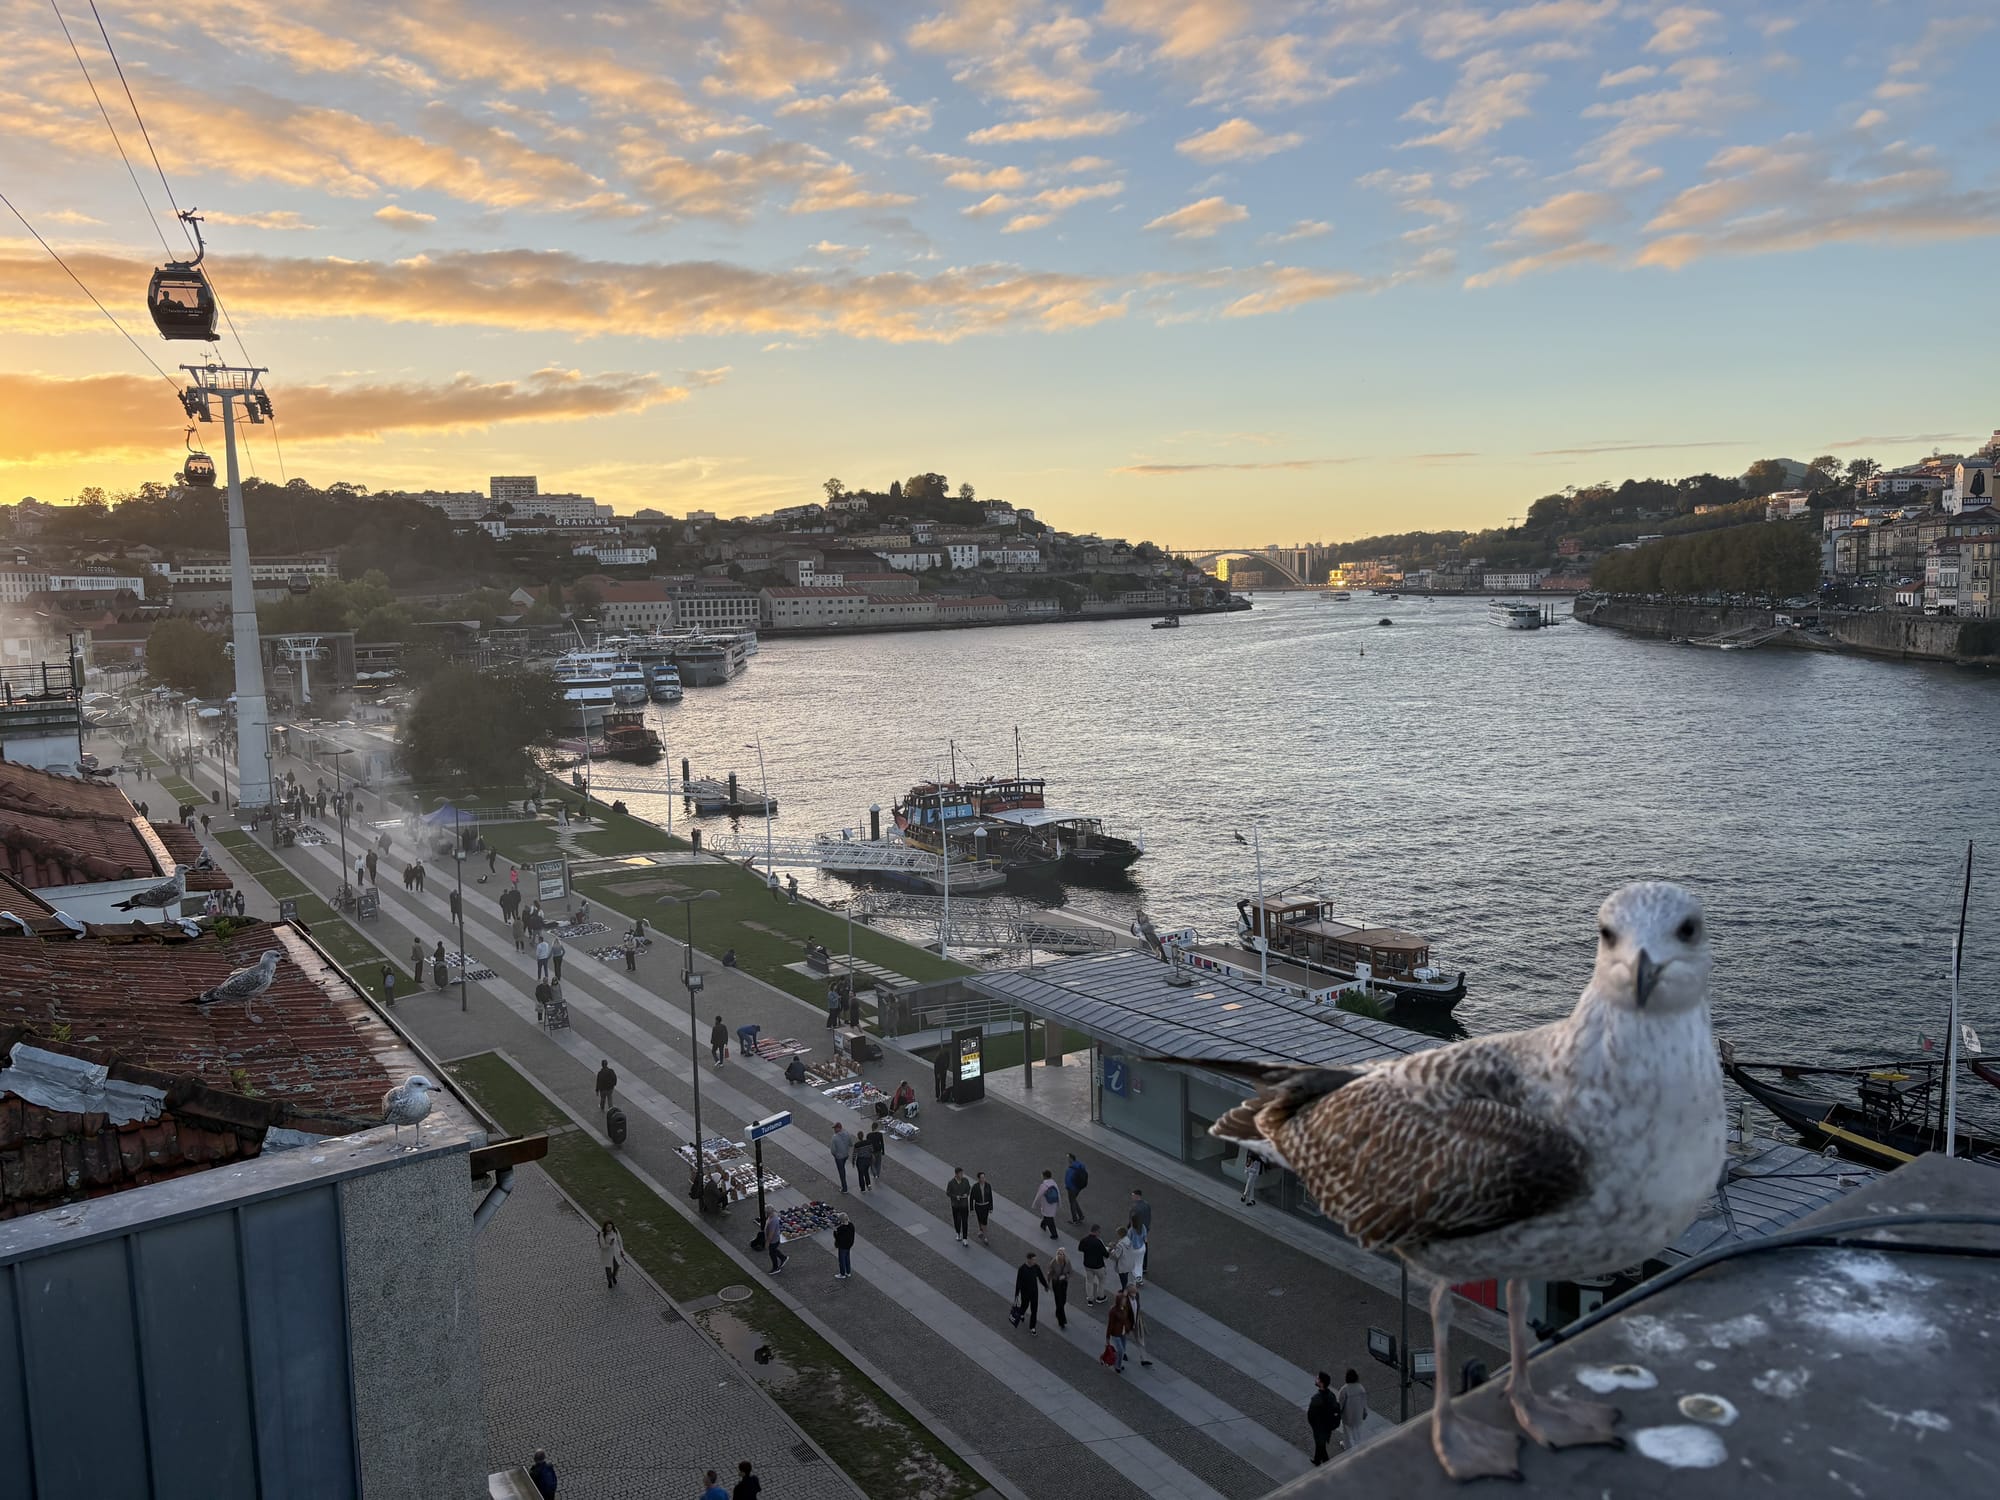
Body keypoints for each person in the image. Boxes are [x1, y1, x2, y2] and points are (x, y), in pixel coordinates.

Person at [1009, 1250, 1047, 1332]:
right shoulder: (1022, 1269)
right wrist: (1017, 1294)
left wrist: (1045, 1285)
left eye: (1035, 1259)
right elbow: (1018, 1282)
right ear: (1028, 1259)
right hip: (1025, 1293)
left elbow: (1041, 1277)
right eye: (1033, 1259)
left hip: (1034, 1292)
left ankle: (1032, 1327)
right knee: (1024, 1306)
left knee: (1034, 1310)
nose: (1034, 1261)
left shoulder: (1036, 1267)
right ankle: (1022, 1314)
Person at [1307, 1371, 1340, 1465]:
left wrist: (1314, 1425)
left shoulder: (1316, 1398)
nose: (1316, 1379)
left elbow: (1311, 1415)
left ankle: (1325, 1462)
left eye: (1317, 1379)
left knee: (1320, 1443)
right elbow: (1336, 1409)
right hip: (1328, 1426)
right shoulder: (1331, 1395)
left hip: (1319, 1426)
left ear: (1321, 1383)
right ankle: (1317, 1460)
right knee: (1321, 1443)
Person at [1339, 1368, 1371, 1454]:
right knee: (1358, 1433)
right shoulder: (1361, 1388)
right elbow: (1364, 1403)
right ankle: (1359, 1447)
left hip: (1347, 1417)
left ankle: (1348, 1448)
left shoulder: (1344, 1389)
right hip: (1358, 1416)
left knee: (1347, 1434)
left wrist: (1338, 1413)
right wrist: (1365, 1413)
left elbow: (1340, 1404)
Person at [1078, 1224, 1109, 1304]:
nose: (1099, 1233)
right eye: (1099, 1232)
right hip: (1098, 1266)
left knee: (1089, 1281)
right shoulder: (1098, 1242)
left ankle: (1090, 1299)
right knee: (1101, 1281)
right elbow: (1106, 1254)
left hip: (1087, 1265)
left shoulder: (1084, 1240)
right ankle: (1100, 1297)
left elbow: (1080, 1249)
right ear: (1097, 1231)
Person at [1125, 1282, 1154, 1366]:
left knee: (1140, 1340)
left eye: (1135, 1293)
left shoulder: (1137, 1295)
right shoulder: (1124, 1300)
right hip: (1127, 1323)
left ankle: (1143, 1359)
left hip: (1136, 1320)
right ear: (1128, 1293)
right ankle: (1123, 1353)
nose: (1134, 1295)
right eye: (1132, 1294)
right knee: (1124, 1339)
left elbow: (1138, 1306)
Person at [1105, 1290, 1134, 1373]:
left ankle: (1118, 1362)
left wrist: (1129, 1327)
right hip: (1116, 1334)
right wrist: (1107, 1338)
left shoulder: (1125, 1308)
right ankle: (1118, 1366)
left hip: (1123, 1332)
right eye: (1124, 1300)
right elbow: (1110, 1324)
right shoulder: (1113, 1311)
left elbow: (1127, 1319)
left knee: (1123, 1349)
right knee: (1121, 1350)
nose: (1125, 1301)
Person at [945, 1166, 972, 1244]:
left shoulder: (965, 1180)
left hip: (964, 1204)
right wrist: (955, 1196)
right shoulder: (951, 1182)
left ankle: (965, 1238)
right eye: (960, 1173)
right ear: (956, 1174)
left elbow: (968, 1189)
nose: (962, 1174)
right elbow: (948, 1193)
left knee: (965, 1221)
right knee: (957, 1220)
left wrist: (966, 1194)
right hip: (955, 1205)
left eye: (962, 1173)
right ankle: (958, 1233)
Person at [1048, 1245, 1073, 1330]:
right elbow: (1050, 1273)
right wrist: (1049, 1282)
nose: (1060, 1255)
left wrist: (1066, 1276)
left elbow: (1071, 1272)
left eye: (1062, 1254)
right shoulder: (1053, 1262)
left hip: (1064, 1283)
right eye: (1059, 1254)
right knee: (1058, 1300)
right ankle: (1061, 1321)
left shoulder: (1067, 1262)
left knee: (1064, 1299)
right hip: (1056, 1283)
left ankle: (1058, 1311)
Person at [1033, 1170, 1062, 1241]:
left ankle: (1054, 1234)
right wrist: (1059, 1203)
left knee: (1049, 1219)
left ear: (1045, 1176)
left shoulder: (1044, 1185)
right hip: (1053, 1204)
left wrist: (1034, 1204)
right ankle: (1043, 1225)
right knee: (1047, 1216)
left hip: (1047, 1204)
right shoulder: (1054, 1183)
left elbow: (1038, 1195)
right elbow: (1058, 1193)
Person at [598, 1219, 624, 1289]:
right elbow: (602, 1246)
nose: (609, 1228)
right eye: (608, 1227)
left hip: (616, 1252)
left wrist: (621, 1250)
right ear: (605, 1227)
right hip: (607, 1254)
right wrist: (609, 1244)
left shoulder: (615, 1230)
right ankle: (609, 1281)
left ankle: (613, 1276)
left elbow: (620, 1240)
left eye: (610, 1226)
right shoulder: (602, 1234)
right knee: (608, 1268)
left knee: (617, 1266)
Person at [969, 1171, 995, 1242]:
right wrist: (971, 1208)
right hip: (978, 1206)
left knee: (984, 1221)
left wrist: (991, 1208)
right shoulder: (975, 1187)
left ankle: (985, 1236)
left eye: (984, 1177)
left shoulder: (988, 1185)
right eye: (982, 1177)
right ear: (979, 1178)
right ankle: (980, 1229)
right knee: (980, 1219)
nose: (983, 1179)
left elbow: (990, 1197)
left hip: (986, 1206)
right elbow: (971, 1198)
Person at [1064, 1153, 1089, 1223]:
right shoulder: (1080, 1165)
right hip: (1079, 1187)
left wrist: (1067, 1187)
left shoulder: (1071, 1169)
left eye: (1068, 1158)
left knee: (1072, 1203)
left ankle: (1074, 1220)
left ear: (1071, 1159)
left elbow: (1068, 1180)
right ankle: (1081, 1215)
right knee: (1074, 1200)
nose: (1067, 1160)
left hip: (1072, 1188)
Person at [832, 1212, 856, 1279]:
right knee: (847, 1258)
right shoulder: (851, 1225)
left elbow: (838, 1238)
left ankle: (842, 1274)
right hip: (849, 1245)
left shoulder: (841, 1229)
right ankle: (848, 1272)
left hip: (842, 1246)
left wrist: (835, 1232)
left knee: (842, 1260)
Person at [829, 1123, 852, 1193]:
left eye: (835, 1128)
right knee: (842, 1168)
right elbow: (851, 1144)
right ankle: (844, 1185)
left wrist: (835, 1155)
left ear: (839, 1128)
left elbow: (833, 1150)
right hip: (845, 1155)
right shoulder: (847, 1133)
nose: (834, 1130)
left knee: (841, 1172)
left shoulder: (834, 1137)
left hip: (839, 1157)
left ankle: (844, 1188)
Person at [763, 1208, 786, 1274]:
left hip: (773, 1240)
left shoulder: (773, 1221)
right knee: (773, 1250)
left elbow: (771, 1233)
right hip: (775, 1239)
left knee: (772, 1253)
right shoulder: (772, 1216)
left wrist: (767, 1243)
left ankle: (776, 1268)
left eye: (766, 1212)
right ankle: (783, 1258)